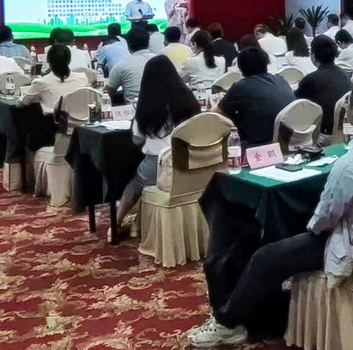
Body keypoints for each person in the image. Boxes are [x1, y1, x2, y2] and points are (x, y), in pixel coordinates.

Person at [188, 75, 353, 347]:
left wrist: (305, 226)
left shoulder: (349, 165)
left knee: (265, 256)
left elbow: (322, 223)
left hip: (348, 243)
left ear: (352, 113)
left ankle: (227, 323)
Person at [116, 55, 201, 233]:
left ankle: (117, 221)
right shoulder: (189, 101)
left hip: (157, 164)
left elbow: (136, 140)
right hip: (188, 162)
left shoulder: (146, 106)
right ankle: (139, 220)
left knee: (135, 183)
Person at [215, 47, 295, 147]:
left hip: (257, 145)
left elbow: (216, 113)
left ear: (240, 67)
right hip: (287, 141)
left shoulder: (241, 86)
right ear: (266, 63)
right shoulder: (281, 79)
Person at [295, 36, 352, 143]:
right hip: (346, 131)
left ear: (313, 56)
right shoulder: (344, 74)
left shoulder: (311, 79)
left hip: (325, 136)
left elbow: (293, 105)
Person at [18, 45, 88, 114]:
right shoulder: (82, 78)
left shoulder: (41, 82)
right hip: (83, 119)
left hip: (54, 121)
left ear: (48, 61)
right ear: (69, 60)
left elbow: (20, 104)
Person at [105, 28, 154, 103]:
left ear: (128, 44)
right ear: (148, 42)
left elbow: (106, 93)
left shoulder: (121, 66)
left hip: (133, 109)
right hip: (162, 109)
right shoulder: (162, 61)